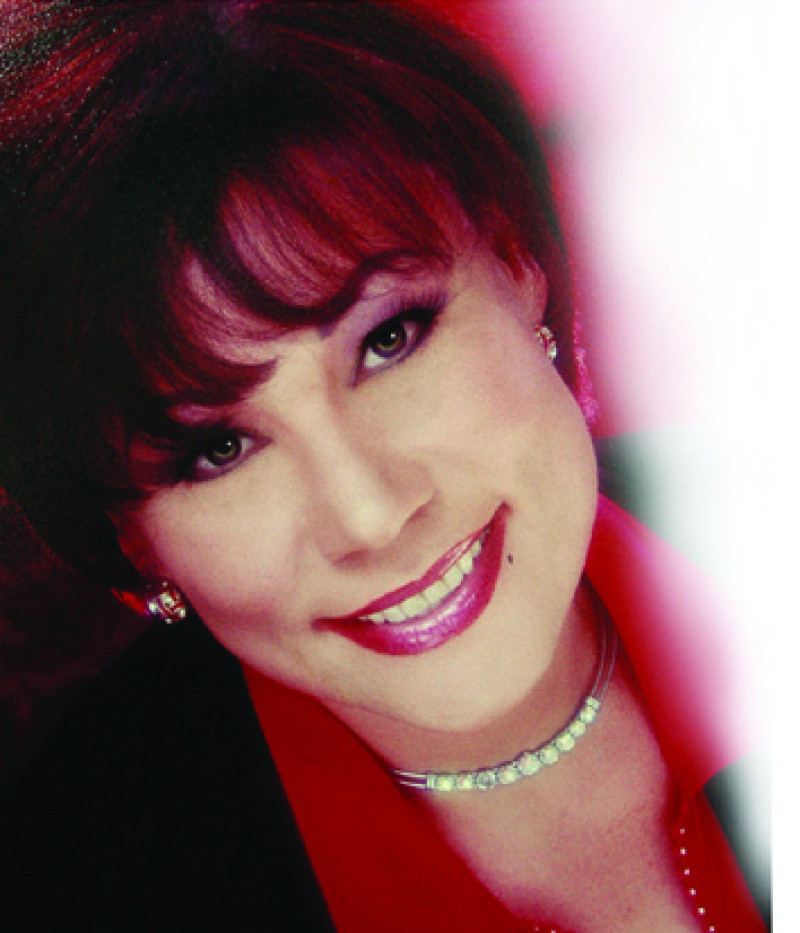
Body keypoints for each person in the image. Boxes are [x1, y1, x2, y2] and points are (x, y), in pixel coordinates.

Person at [0, 1, 768, 930]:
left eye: (390, 338)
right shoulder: (70, 888)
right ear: (132, 539)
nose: (369, 514)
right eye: (218, 449)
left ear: (519, 260)